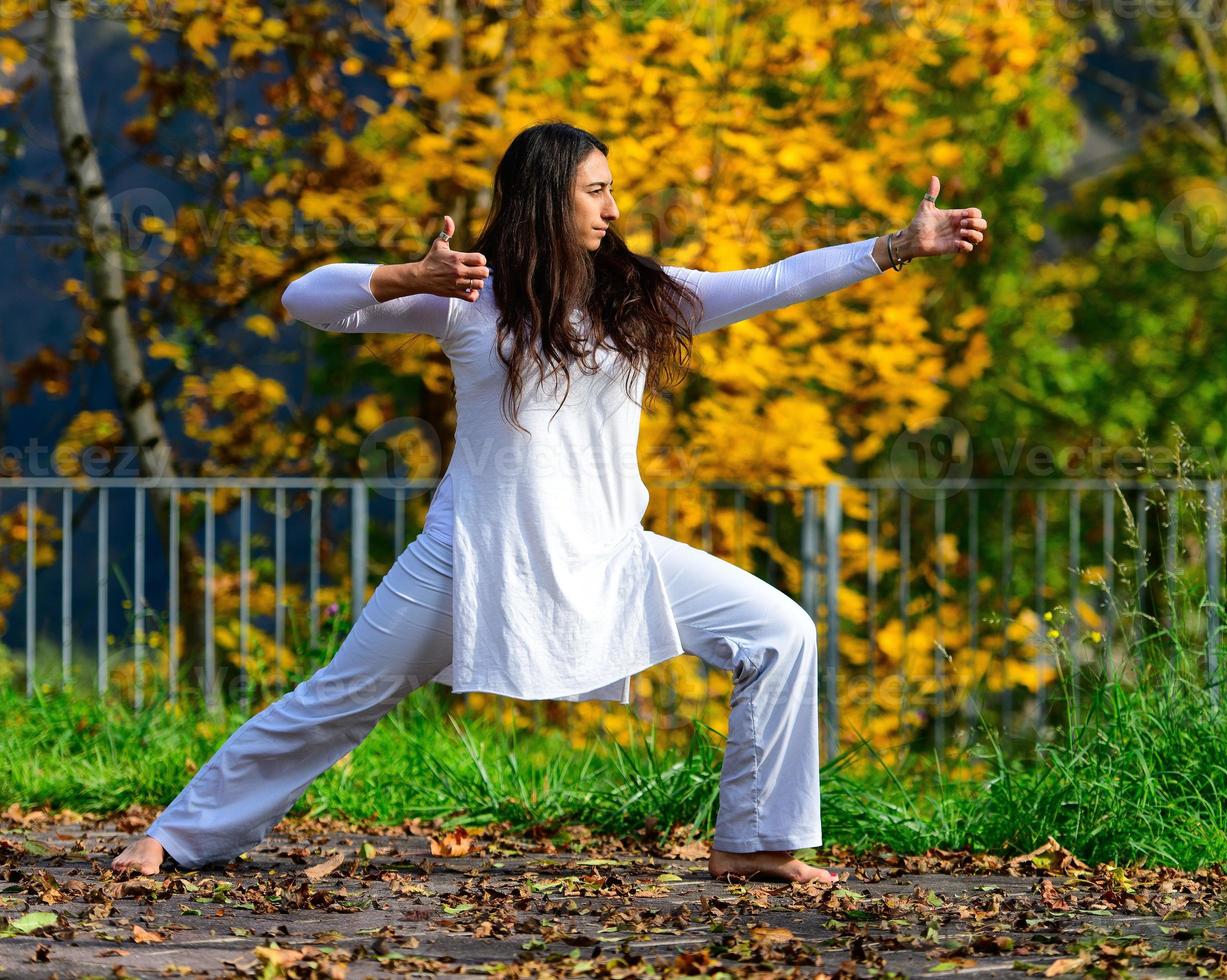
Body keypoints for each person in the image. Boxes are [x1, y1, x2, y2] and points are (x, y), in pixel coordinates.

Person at [111, 121, 986, 884]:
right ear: (545, 197)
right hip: (473, 560)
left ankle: (755, 843)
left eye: (613, 192)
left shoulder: (640, 295)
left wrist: (894, 248)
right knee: (342, 697)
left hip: (612, 553)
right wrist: (406, 275)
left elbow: (771, 280)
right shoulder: (468, 298)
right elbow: (306, 299)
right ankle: (179, 834)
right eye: (595, 191)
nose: (612, 209)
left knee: (780, 632)